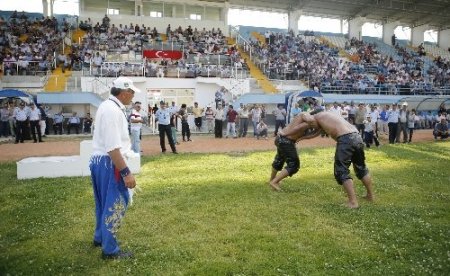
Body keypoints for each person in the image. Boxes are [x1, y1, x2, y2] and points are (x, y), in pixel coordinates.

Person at [89, 76, 138, 259]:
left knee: (102, 203)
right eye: (132, 92)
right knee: (116, 204)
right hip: (110, 163)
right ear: (125, 93)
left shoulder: (107, 106)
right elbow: (112, 147)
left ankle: (100, 237)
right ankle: (110, 249)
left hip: (100, 161)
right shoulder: (112, 111)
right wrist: (126, 172)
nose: (133, 96)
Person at [298, 111, 375, 208]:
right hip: (357, 136)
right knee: (361, 167)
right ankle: (370, 195)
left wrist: (303, 114)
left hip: (346, 139)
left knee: (341, 170)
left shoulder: (317, 116)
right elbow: (316, 132)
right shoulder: (330, 116)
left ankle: (353, 202)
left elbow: (309, 119)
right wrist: (299, 139)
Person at [269, 115, 316, 192]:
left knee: (279, 159)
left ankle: (272, 179)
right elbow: (299, 127)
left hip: (281, 139)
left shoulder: (304, 119)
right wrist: (286, 134)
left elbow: (311, 134)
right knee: (294, 164)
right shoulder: (307, 119)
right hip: (286, 140)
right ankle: (274, 182)